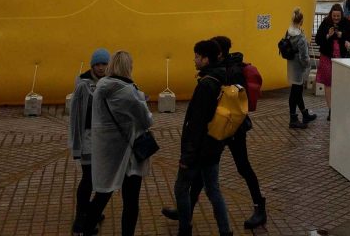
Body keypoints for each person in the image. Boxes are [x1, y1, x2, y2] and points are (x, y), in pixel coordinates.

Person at [163, 35, 265, 231]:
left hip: (231, 129)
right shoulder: (222, 69)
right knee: (205, 175)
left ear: (217, 53)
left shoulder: (229, 72)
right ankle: (187, 211)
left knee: (242, 167)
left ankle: (259, 205)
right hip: (218, 130)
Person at [83, 51, 154, 236]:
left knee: (102, 194)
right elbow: (146, 121)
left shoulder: (101, 87)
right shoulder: (128, 92)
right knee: (131, 202)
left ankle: (85, 228)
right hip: (129, 153)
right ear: (128, 67)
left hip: (106, 150)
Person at [169, 39, 231, 236]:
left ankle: (184, 228)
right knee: (213, 190)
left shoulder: (206, 85)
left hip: (199, 148)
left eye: (197, 56)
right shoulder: (223, 77)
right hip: (214, 145)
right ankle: (225, 230)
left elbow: (196, 124)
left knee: (181, 188)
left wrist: (187, 155)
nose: (194, 60)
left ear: (206, 59)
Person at [69, 48, 110, 236]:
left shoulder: (111, 81)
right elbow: (77, 112)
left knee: (99, 177)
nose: (101, 68)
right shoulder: (83, 84)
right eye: (98, 64)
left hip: (104, 138)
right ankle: (81, 217)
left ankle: (91, 212)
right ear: (92, 65)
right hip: (87, 137)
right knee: (88, 178)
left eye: (104, 64)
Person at [314, 4, 350, 121]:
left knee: (342, 82)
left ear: (341, 15)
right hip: (327, 56)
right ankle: (331, 109)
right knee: (328, 83)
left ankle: (340, 108)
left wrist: (343, 36)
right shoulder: (325, 23)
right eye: (334, 16)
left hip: (342, 57)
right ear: (330, 14)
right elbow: (318, 39)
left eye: (338, 16)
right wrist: (328, 35)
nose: (336, 18)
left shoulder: (347, 23)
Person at [285, 7, 316, 129]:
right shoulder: (301, 38)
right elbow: (304, 57)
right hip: (299, 68)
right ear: (301, 21)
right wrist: (308, 64)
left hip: (291, 64)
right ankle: (293, 119)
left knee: (295, 91)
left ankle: (303, 114)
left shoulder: (288, 32)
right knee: (296, 93)